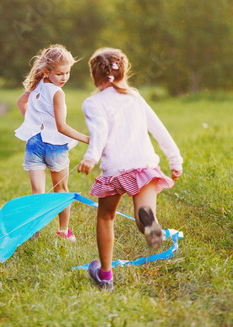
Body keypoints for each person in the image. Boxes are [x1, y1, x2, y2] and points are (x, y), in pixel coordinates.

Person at [77, 48, 183, 291]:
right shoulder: (134, 97)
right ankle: (148, 224)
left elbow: (99, 132)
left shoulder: (93, 103)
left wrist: (91, 157)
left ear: (94, 75)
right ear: (123, 71)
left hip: (116, 169)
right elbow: (158, 128)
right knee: (143, 212)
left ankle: (105, 276)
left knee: (106, 217)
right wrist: (175, 160)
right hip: (144, 165)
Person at [15, 44, 90, 241]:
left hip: (34, 143)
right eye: (59, 74)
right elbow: (61, 127)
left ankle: (34, 229)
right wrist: (87, 139)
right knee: (61, 190)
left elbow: (21, 102)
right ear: (47, 71)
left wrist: (32, 123)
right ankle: (64, 232)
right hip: (54, 146)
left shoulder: (37, 85)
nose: (64, 78)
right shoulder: (57, 93)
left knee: (38, 192)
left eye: (67, 73)